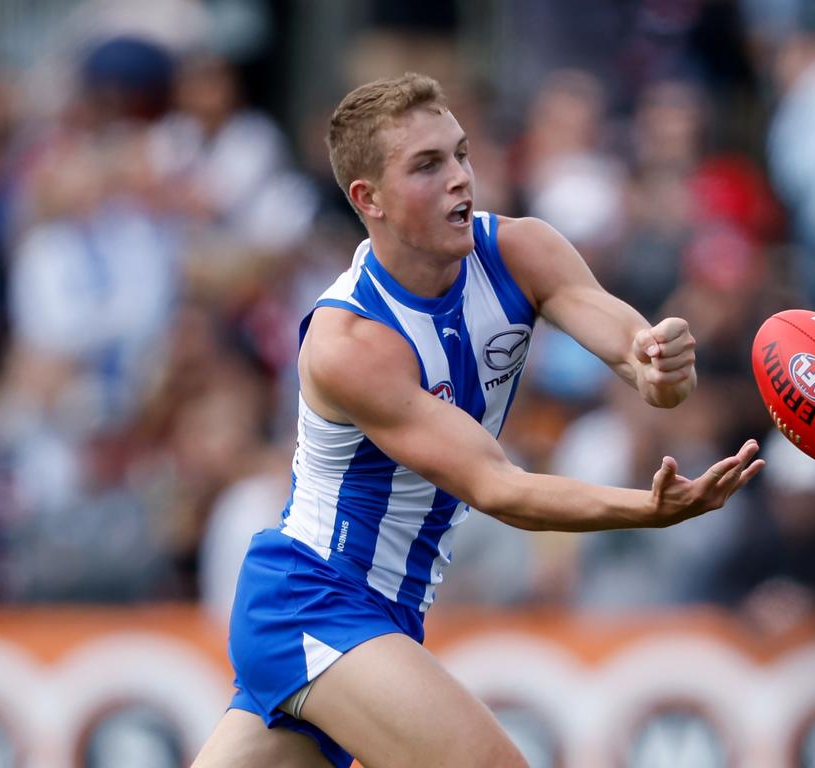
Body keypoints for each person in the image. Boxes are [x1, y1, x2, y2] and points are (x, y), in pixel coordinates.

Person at [192, 72, 765, 768]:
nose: (462, 178)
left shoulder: (521, 252)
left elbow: (641, 361)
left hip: (381, 611)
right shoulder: (353, 342)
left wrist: (665, 368)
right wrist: (646, 508)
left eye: (461, 154)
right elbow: (498, 488)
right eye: (428, 166)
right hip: (314, 601)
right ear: (366, 199)